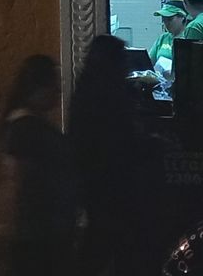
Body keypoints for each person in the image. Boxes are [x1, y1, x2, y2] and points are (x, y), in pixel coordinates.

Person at [69, 35, 164, 276]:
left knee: (101, 246)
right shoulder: (109, 97)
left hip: (99, 187)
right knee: (112, 246)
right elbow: (120, 141)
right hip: (113, 186)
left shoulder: (87, 92)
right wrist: (151, 144)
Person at [0, 54, 77, 276]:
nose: (58, 91)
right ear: (38, 87)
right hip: (37, 236)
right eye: (53, 84)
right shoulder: (25, 127)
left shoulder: (33, 124)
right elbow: (14, 181)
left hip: (45, 233)